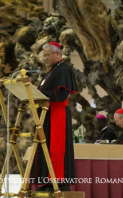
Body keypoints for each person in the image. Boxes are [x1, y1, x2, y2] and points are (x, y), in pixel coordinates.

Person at [31, 42, 79, 192]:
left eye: (47, 55)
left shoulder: (64, 69)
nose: (44, 58)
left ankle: (58, 180)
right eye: (43, 55)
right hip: (48, 114)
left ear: (57, 53)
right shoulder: (51, 71)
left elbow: (62, 94)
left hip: (57, 114)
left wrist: (40, 94)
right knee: (46, 146)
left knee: (55, 146)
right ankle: (47, 179)